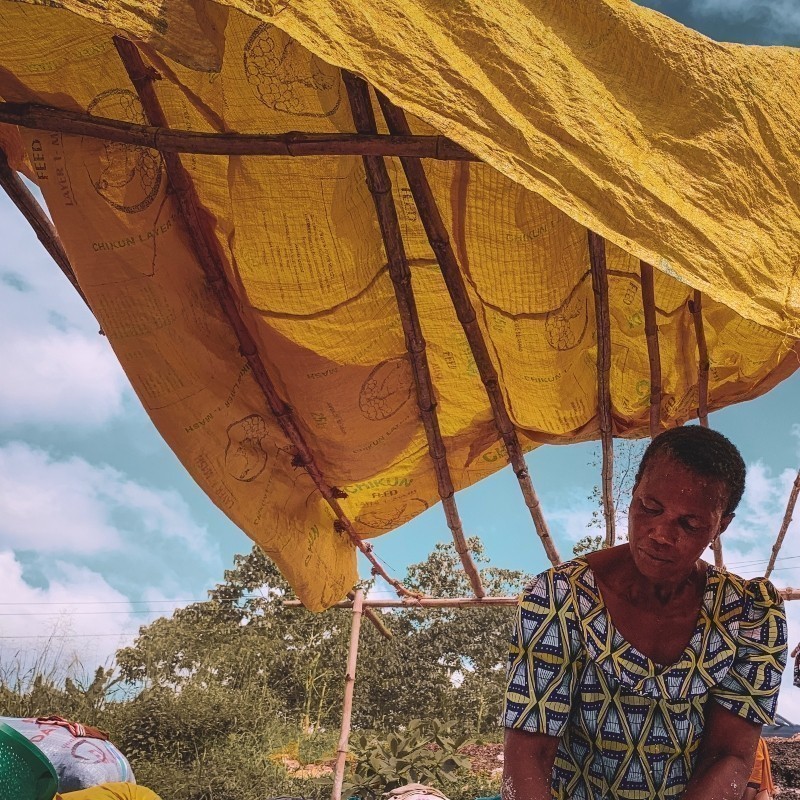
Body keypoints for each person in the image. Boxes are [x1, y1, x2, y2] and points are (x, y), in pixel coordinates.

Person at [503, 426, 788, 800]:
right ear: (634, 491)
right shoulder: (560, 598)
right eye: (650, 508)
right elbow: (529, 755)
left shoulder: (749, 613)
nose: (661, 534)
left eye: (690, 523)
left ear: (722, 525)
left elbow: (729, 755)